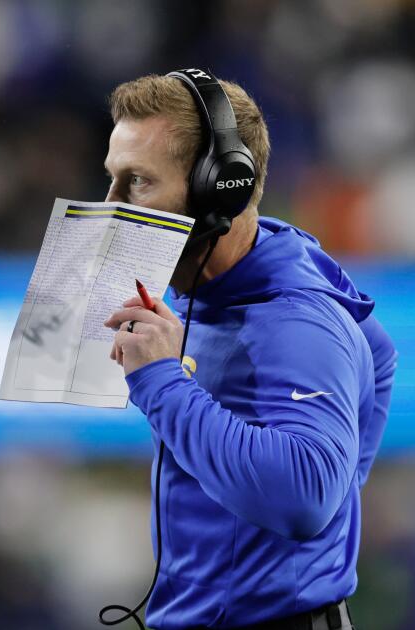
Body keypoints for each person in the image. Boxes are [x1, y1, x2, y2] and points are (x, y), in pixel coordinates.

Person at [101, 70, 397, 629]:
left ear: (219, 189)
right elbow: (377, 351)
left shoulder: (295, 321)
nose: (112, 205)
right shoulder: (210, 279)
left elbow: (305, 496)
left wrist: (161, 383)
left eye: (137, 182)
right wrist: (345, 477)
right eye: (112, 179)